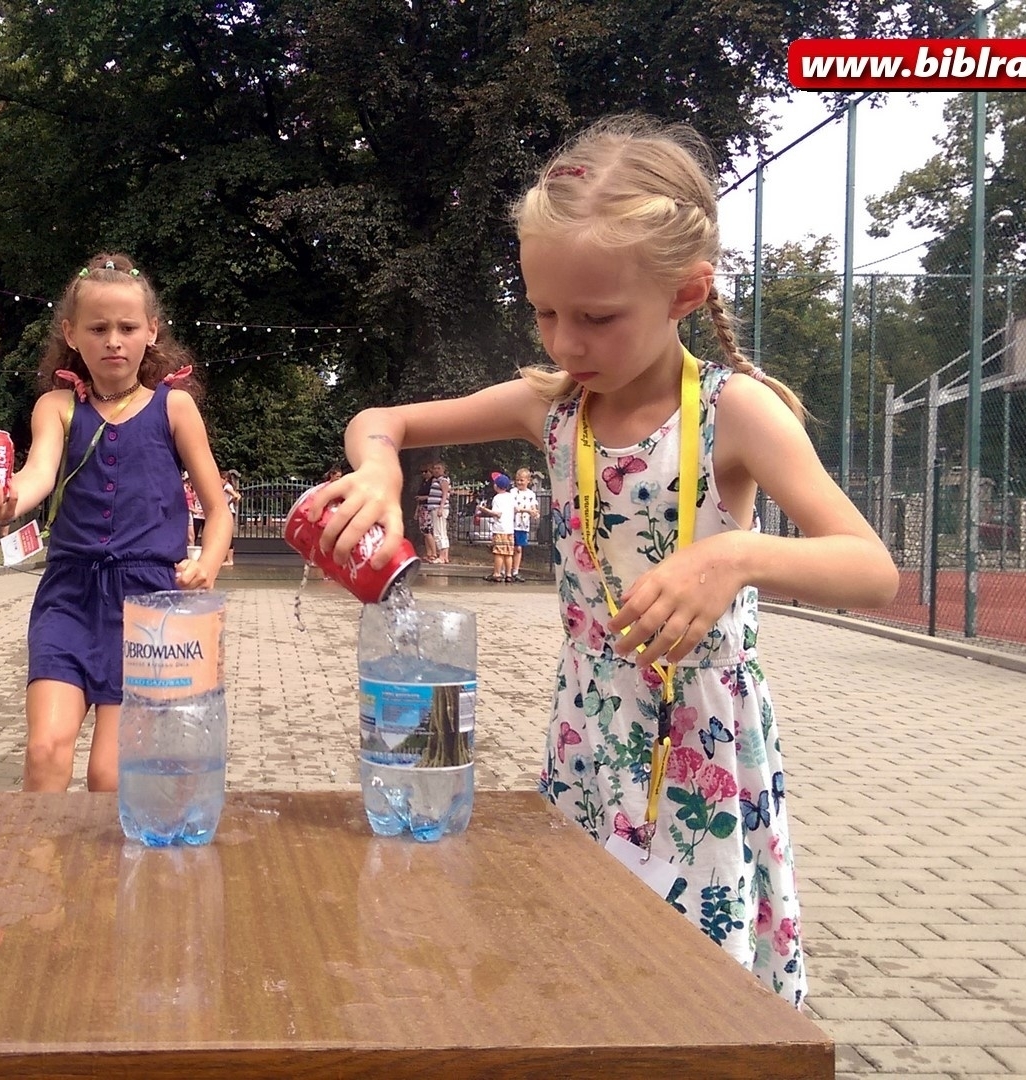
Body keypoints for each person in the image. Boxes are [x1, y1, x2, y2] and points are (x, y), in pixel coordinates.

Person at [307, 116, 897, 1005]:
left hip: (701, 740)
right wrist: (380, 469)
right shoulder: (550, 408)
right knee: (580, 964)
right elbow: (380, 421)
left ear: (686, 292)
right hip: (586, 724)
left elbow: (871, 569)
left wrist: (734, 555)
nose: (565, 344)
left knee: (695, 987)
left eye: (597, 318)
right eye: (544, 312)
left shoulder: (735, 413)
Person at [0, 253, 232, 794]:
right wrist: (2, 502)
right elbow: (36, 476)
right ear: (71, 334)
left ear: (151, 332)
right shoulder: (56, 406)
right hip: (69, 596)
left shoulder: (175, 408)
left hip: (150, 605)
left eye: (127, 328)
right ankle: (42, 851)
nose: (114, 341)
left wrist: (207, 561)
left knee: (110, 776)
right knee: (44, 750)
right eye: (98, 328)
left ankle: (106, 854)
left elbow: (218, 508)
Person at [511, 467, 541, 581]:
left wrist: (535, 512)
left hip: (523, 525)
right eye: (517, 480)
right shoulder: (512, 492)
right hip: (512, 524)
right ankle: (505, 570)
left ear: (528, 481)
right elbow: (514, 508)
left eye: (522, 480)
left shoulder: (531, 494)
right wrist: (527, 511)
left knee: (518, 548)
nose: (519, 482)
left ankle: (515, 571)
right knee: (509, 548)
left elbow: (533, 506)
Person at [486, 472, 517, 581]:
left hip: (500, 529)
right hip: (509, 529)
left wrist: (484, 510)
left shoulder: (497, 498)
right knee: (508, 553)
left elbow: (497, 513)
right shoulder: (511, 497)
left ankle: (497, 574)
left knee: (498, 553)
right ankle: (509, 575)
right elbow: (515, 509)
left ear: (496, 486)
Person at [221, 469, 241, 567]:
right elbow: (238, 496)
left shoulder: (227, 487)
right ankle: (227, 559)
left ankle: (229, 560)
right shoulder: (227, 487)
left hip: (228, 512)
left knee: (228, 535)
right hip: (228, 512)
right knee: (226, 535)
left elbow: (236, 496)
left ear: (225, 479)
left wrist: (228, 503)